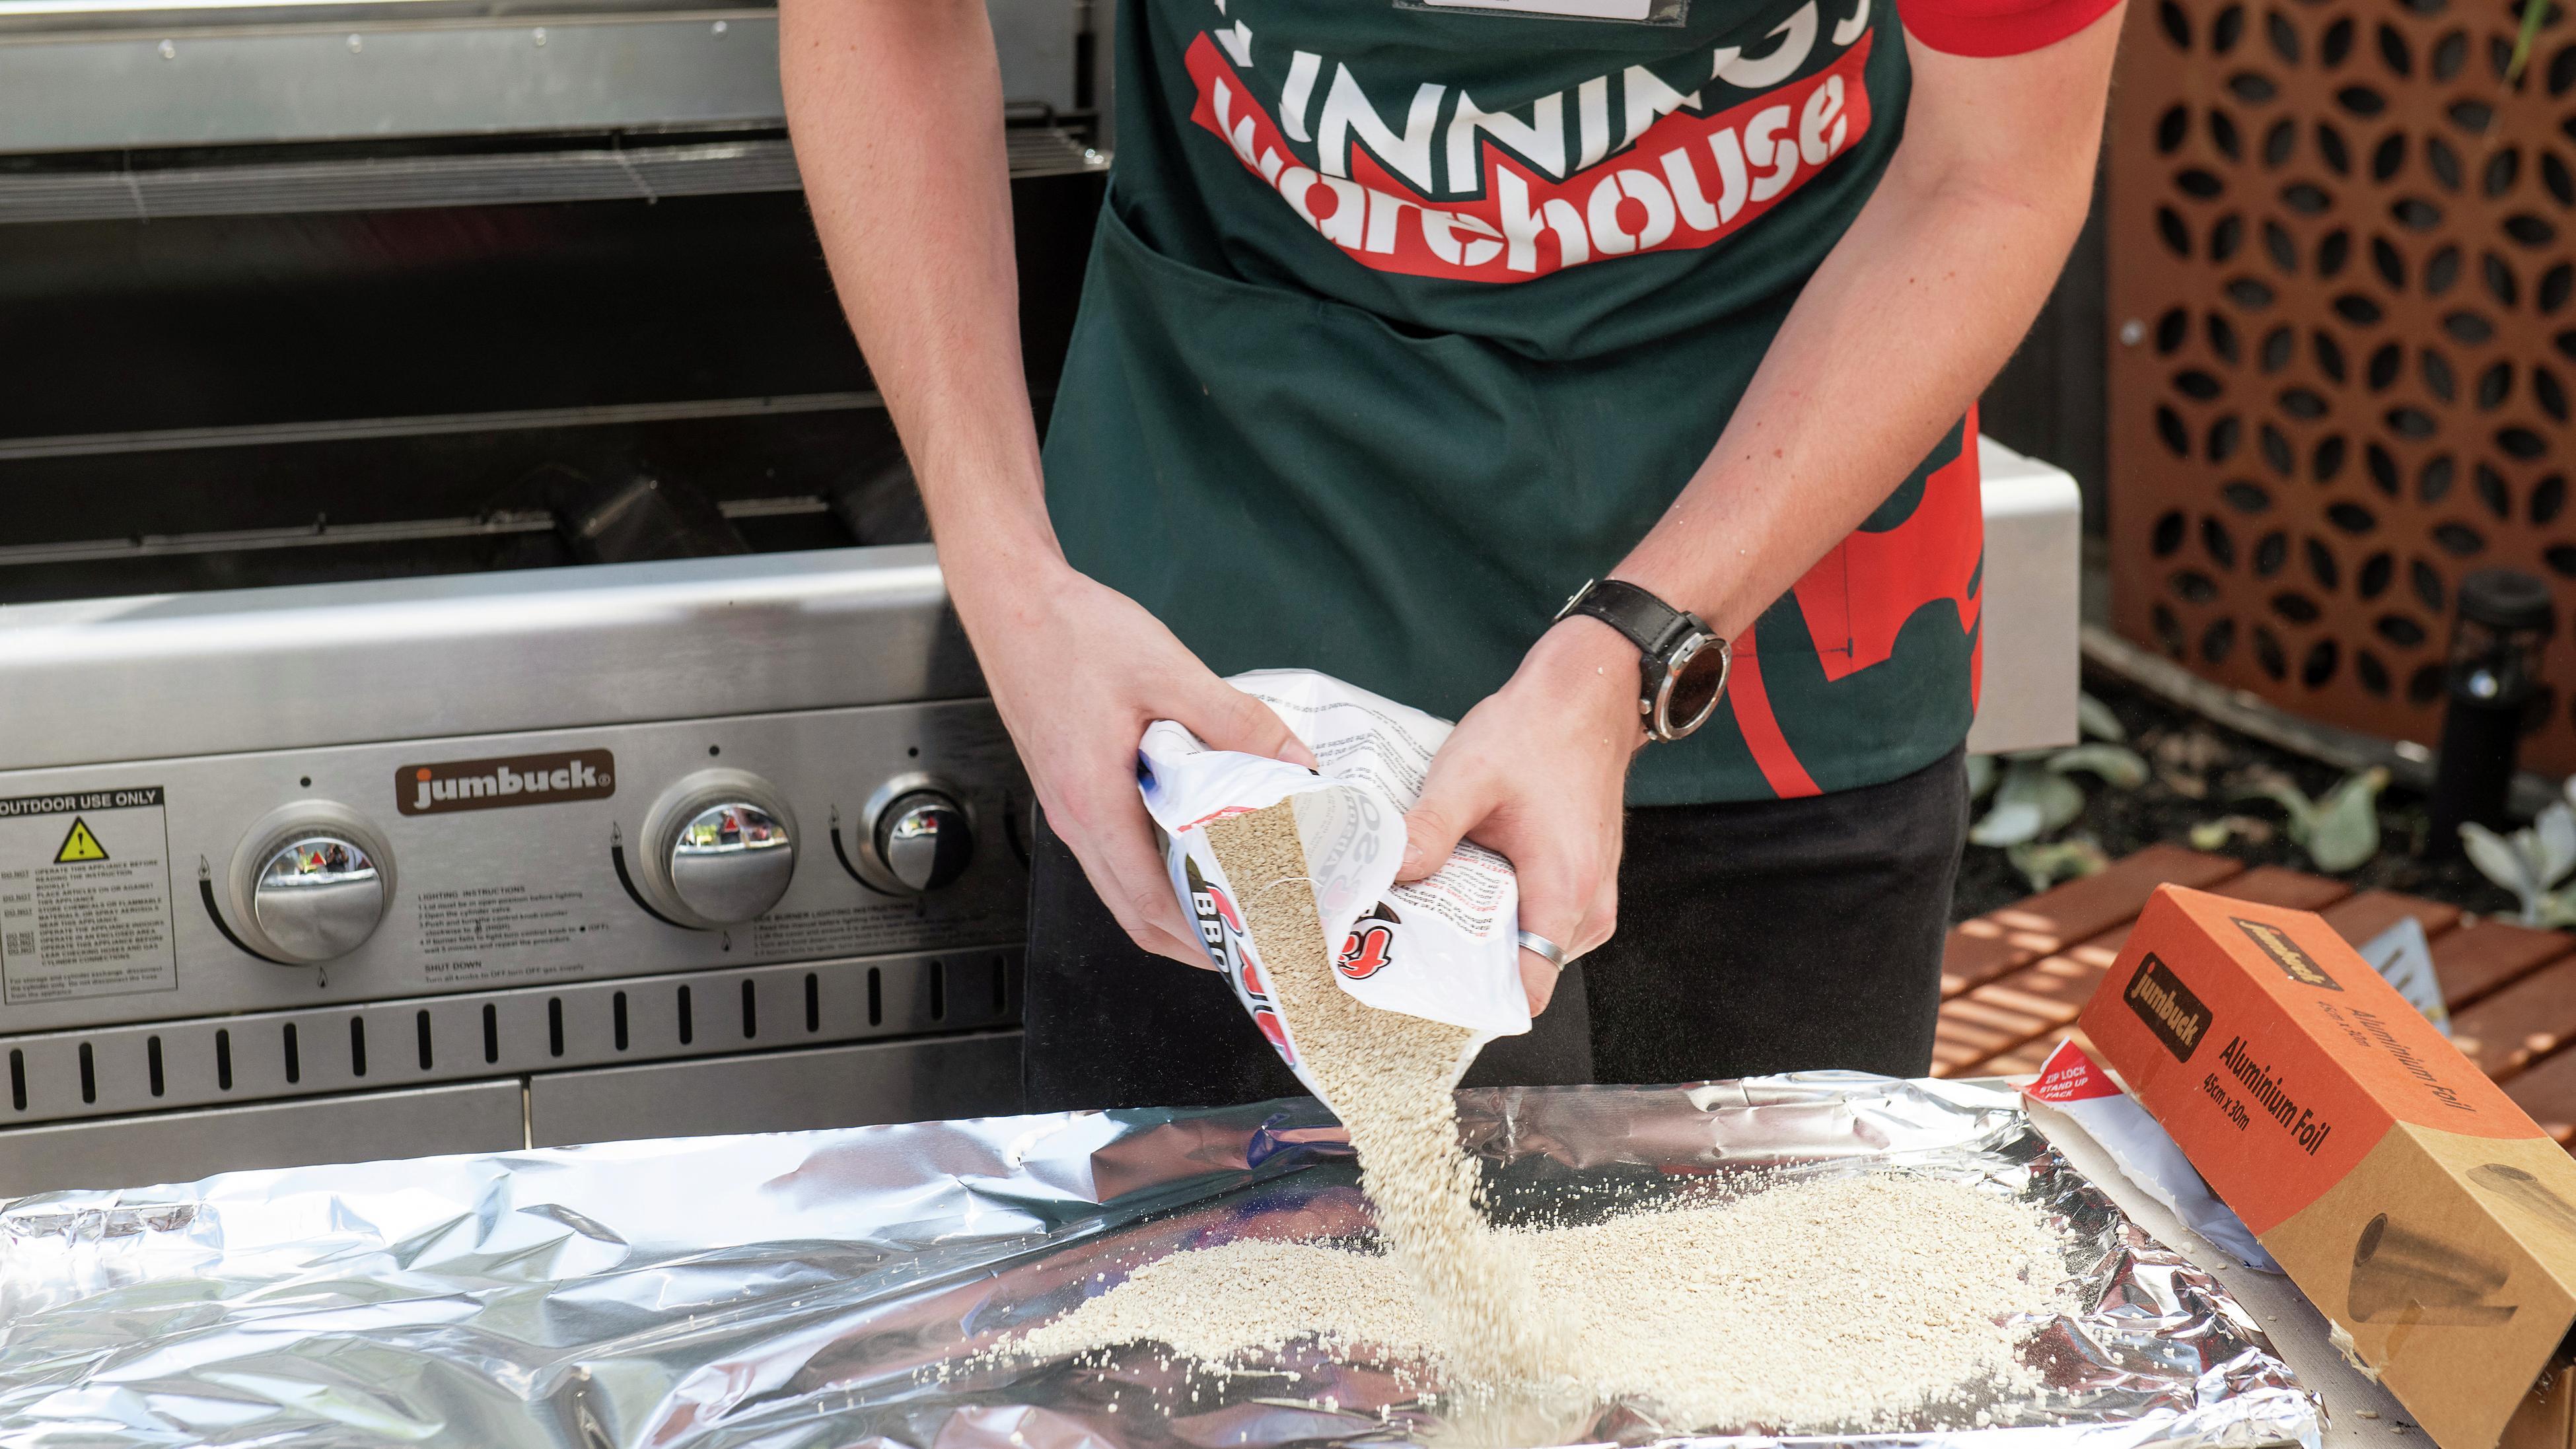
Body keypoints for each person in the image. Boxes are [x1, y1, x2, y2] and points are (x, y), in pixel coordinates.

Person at [781, 0, 2123, 1110]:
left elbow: (1992, 170)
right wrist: (1012, 578)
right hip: (1233, 653)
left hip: (1776, 618)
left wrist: (1636, 649)